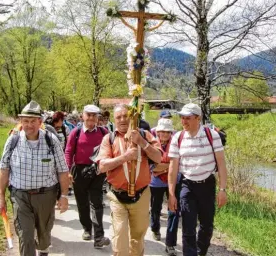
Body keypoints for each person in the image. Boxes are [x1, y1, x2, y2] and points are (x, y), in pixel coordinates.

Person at [0, 100, 69, 256]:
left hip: (46, 195)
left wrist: (63, 196)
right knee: (26, 236)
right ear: (21, 121)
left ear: (40, 122)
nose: (29, 125)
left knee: (44, 235)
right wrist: (0, 197)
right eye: (25, 121)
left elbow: (63, 170)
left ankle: (43, 249)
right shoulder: (13, 140)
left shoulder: (51, 141)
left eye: (33, 121)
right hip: (20, 196)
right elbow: (4, 169)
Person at [97, 104, 162, 256]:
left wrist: (142, 143)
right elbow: (102, 166)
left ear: (132, 117)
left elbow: (158, 157)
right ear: (114, 119)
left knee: (137, 238)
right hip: (117, 196)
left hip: (141, 195)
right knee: (120, 239)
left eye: (125, 116)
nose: (122, 120)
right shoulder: (109, 138)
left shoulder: (144, 135)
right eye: (118, 117)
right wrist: (125, 157)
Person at [168, 103, 228, 256]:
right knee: (188, 227)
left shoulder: (212, 135)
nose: (183, 122)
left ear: (198, 118)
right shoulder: (178, 138)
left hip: (207, 185)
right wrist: (171, 194)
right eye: (182, 118)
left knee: (207, 226)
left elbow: (221, 163)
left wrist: (222, 190)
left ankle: (200, 252)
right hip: (187, 185)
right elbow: (173, 168)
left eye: (187, 118)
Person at [64, 104, 110, 249]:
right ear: (82, 116)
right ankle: (86, 228)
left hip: (97, 171)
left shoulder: (104, 132)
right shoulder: (75, 133)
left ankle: (98, 237)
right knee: (82, 203)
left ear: (98, 118)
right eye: (88, 115)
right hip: (79, 170)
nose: (91, 118)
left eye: (94, 115)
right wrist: (68, 171)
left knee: (97, 203)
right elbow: (68, 151)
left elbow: (110, 151)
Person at [149, 118, 181, 256]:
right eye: (162, 132)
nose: (165, 135)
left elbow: (180, 163)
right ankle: (155, 228)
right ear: (157, 131)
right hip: (155, 182)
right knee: (155, 208)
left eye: (167, 132)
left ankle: (170, 242)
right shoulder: (152, 143)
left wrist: (164, 168)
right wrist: (170, 167)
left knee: (174, 210)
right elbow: (152, 167)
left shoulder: (177, 143)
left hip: (174, 181)